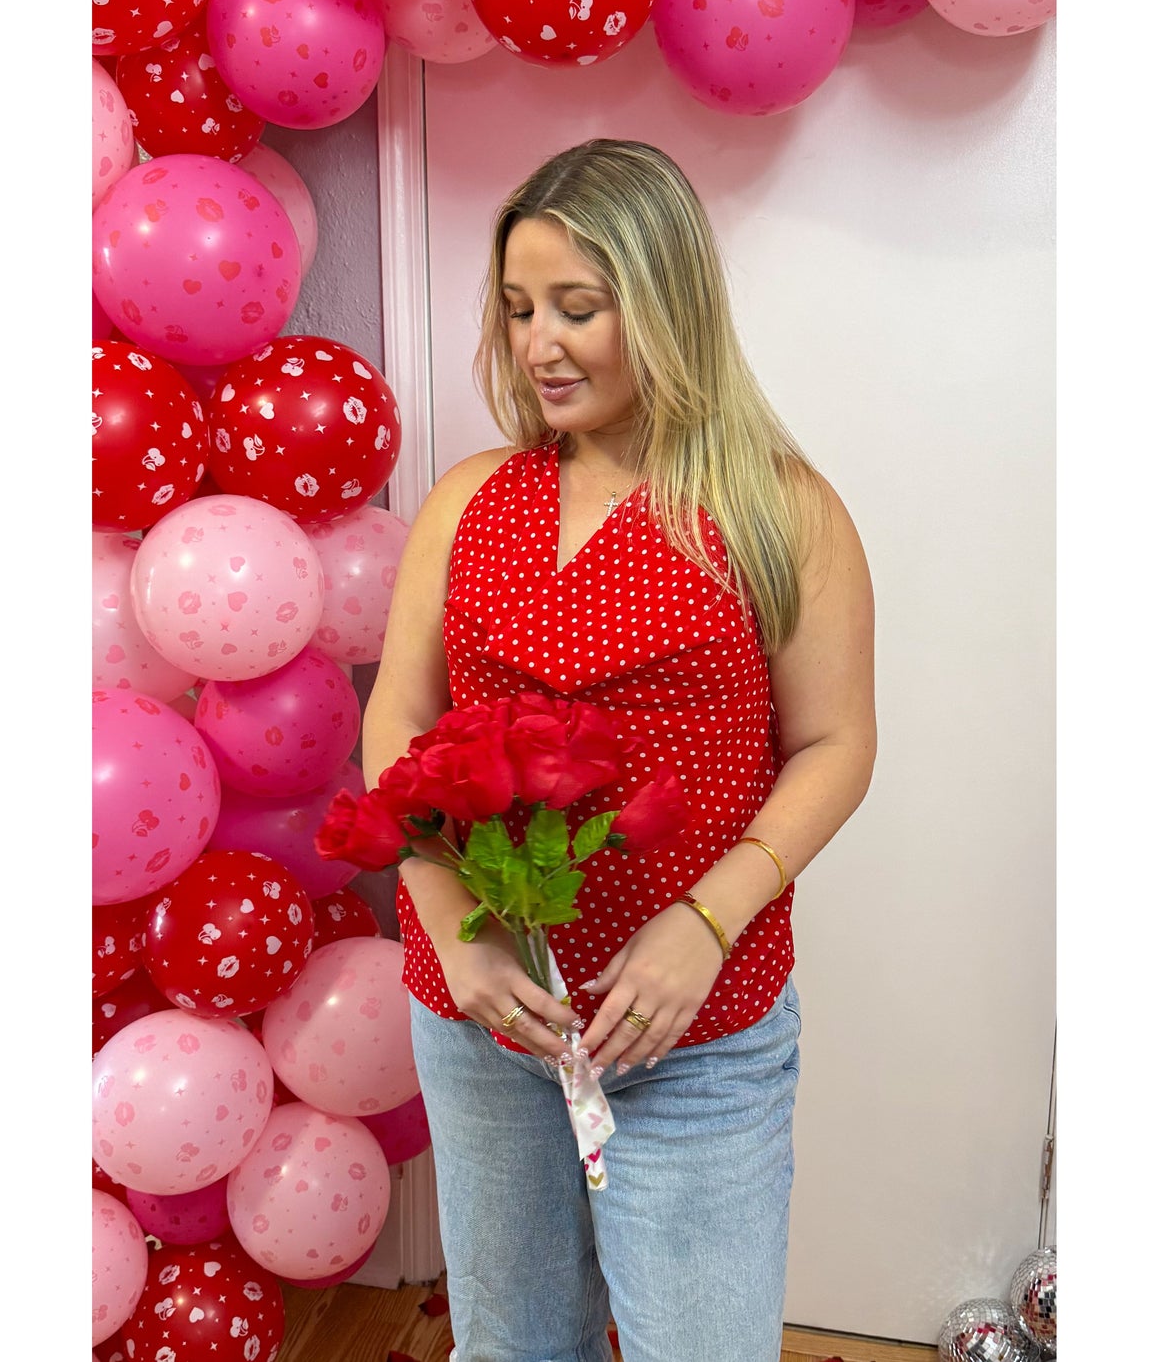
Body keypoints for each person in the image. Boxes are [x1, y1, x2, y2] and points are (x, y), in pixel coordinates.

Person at [361, 138, 876, 1362]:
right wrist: (448, 916)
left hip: (692, 1031)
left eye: (576, 308)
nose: (537, 343)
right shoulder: (467, 500)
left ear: (664, 303)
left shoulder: (777, 511)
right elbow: (396, 719)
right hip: (488, 1017)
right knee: (512, 1343)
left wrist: (703, 920)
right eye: (517, 308)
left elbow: (835, 743)